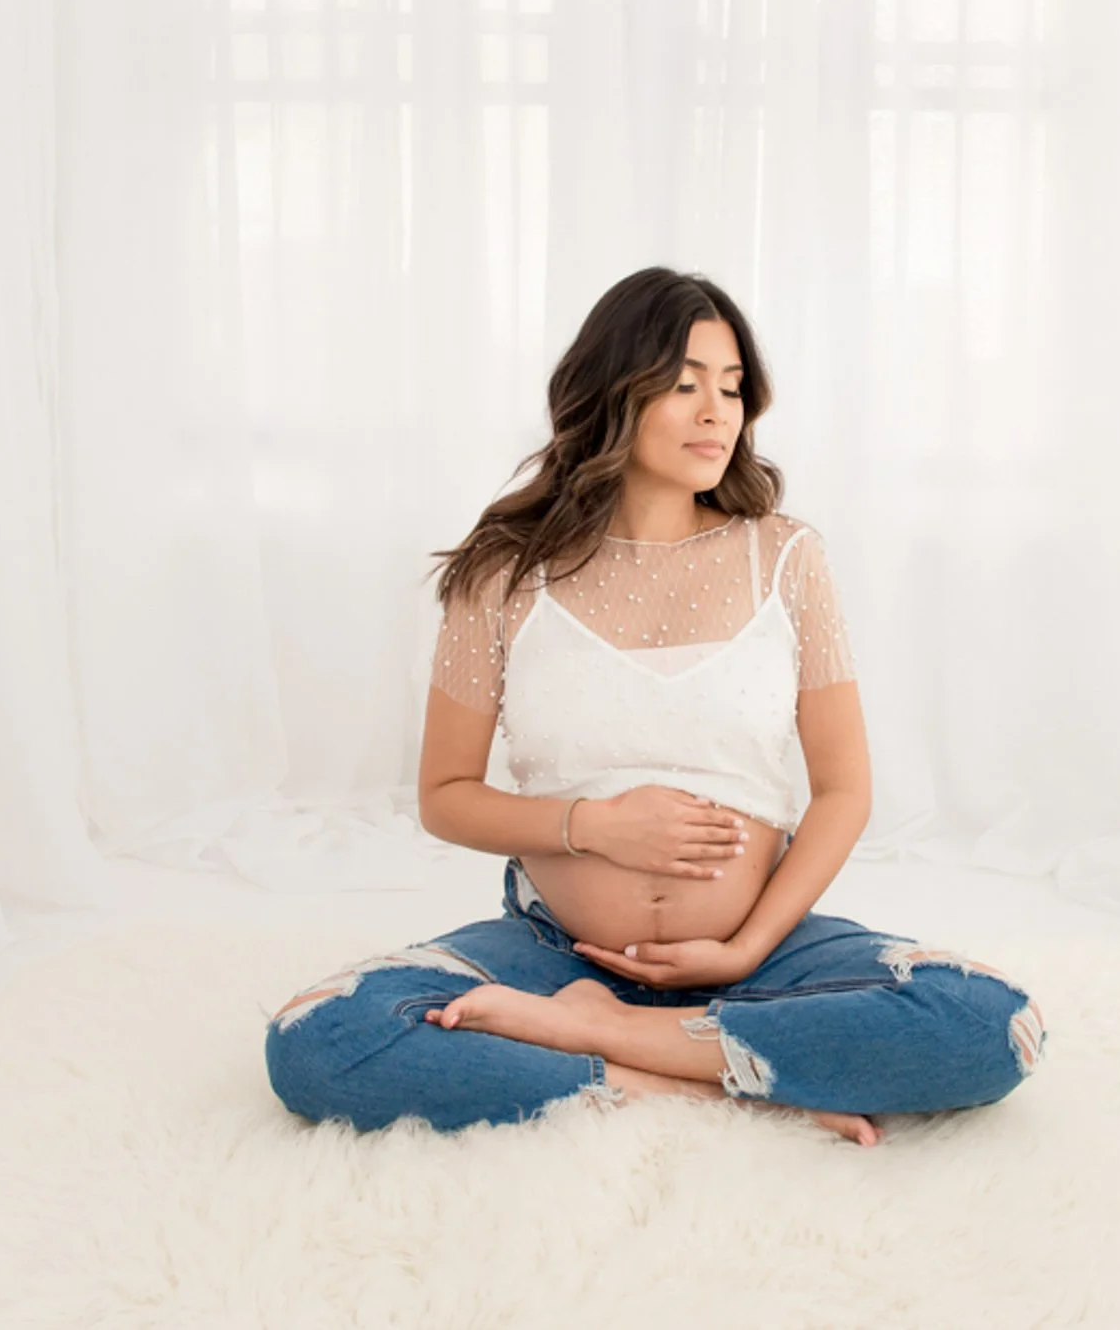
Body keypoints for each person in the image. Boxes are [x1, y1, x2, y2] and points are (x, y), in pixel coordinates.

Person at [264, 267, 1047, 1147]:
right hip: (558, 957)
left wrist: (747, 947)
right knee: (320, 1040)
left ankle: (607, 1038)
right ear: (613, 394)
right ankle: (694, 1082)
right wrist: (594, 826)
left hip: (759, 956)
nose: (719, 412)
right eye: (684, 386)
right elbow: (446, 794)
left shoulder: (786, 558)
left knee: (989, 1022)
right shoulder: (504, 575)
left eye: (733, 387)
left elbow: (842, 791)